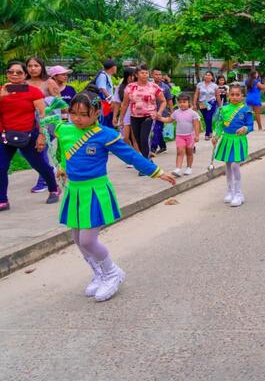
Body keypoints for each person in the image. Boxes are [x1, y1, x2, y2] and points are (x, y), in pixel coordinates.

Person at [55, 85, 175, 302]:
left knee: (89, 240)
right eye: (73, 113)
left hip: (95, 190)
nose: (77, 119)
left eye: (84, 115)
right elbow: (64, 150)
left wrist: (157, 172)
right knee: (77, 239)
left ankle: (112, 273)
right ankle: (99, 275)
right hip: (74, 191)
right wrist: (62, 167)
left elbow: (131, 156)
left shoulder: (105, 135)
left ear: (96, 113)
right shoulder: (64, 130)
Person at [0, 61, 60, 211]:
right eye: (11, 72)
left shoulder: (33, 91)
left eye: (19, 72)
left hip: (28, 135)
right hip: (5, 135)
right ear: (6, 74)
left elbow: (43, 114)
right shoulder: (2, 91)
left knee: (38, 164)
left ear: (25, 75)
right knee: (1, 167)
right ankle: (2, 200)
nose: (14, 75)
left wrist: (41, 135)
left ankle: (53, 188)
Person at [211, 83, 254, 207]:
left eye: (237, 95)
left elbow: (251, 126)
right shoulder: (223, 109)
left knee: (235, 165)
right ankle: (230, 191)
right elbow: (219, 126)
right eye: (232, 94)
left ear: (242, 96)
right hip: (226, 140)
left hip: (238, 140)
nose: (235, 97)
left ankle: (239, 194)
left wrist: (245, 128)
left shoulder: (246, 110)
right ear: (229, 95)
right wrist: (216, 136)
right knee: (228, 165)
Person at [119, 65, 166, 166]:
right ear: (136, 74)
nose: (145, 75)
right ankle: (148, 159)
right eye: (142, 73)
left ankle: (145, 165)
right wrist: (121, 118)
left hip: (149, 117)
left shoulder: (154, 86)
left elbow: (163, 101)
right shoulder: (130, 87)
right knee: (138, 140)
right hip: (134, 117)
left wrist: (159, 113)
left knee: (144, 139)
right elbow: (124, 104)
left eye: (146, 73)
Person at [25, 57, 59, 194]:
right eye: (30, 66)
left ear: (42, 67)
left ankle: (44, 180)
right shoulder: (23, 83)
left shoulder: (49, 82)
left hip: (46, 123)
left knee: (41, 149)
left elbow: (60, 103)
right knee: (32, 151)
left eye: (36, 65)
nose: (33, 68)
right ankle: (49, 171)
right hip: (28, 124)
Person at [161, 93, 201, 177]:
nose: (182, 104)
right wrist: (159, 118)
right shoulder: (176, 112)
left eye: (184, 102)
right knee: (179, 151)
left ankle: (189, 168)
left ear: (188, 103)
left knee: (189, 152)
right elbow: (169, 120)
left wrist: (197, 135)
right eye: (180, 102)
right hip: (180, 136)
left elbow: (196, 125)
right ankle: (178, 169)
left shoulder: (193, 113)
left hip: (190, 136)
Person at [149, 69, 174, 155]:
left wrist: (172, 111)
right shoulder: (149, 86)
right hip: (149, 112)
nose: (158, 76)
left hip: (161, 112)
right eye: (156, 75)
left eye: (160, 75)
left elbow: (169, 100)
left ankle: (153, 148)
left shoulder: (165, 87)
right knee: (155, 131)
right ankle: (163, 146)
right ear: (152, 75)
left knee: (157, 129)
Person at [193, 71, 220, 141]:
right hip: (202, 104)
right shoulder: (199, 85)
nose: (208, 76)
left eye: (209, 75)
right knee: (206, 119)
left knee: (208, 117)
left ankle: (207, 134)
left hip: (212, 103)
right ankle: (210, 131)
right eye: (206, 75)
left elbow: (217, 95)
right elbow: (196, 94)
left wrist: (220, 106)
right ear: (204, 76)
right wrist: (194, 104)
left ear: (212, 77)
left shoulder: (215, 85)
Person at [94, 60, 117, 126]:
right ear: (113, 68)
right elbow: (102, 89)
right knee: (104, 122)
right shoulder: (103, 76)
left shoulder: (107, 76)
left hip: (107, 103)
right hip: (104, 103)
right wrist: (111, 101)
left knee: (108, 121)